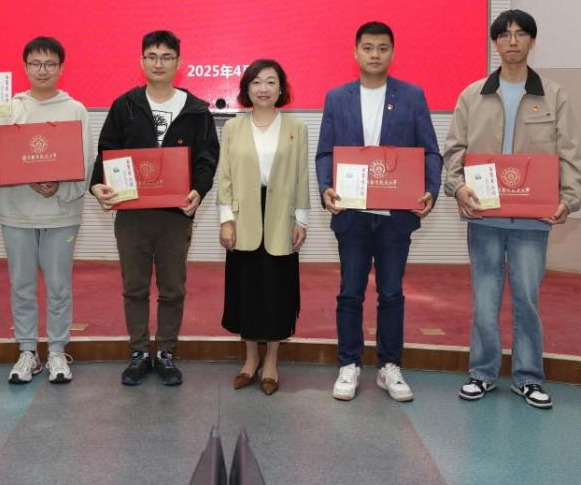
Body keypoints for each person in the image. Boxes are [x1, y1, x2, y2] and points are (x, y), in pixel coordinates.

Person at [443, 9, 581, 409]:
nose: (512, 41)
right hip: (484, 217)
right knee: (484, 300)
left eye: (521, 34)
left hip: (532, 219)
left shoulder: (553, 95)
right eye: (504, 35)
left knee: (527, 300)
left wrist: (569, 198)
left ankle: (528, 377)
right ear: (495, 43)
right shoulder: (473, 95)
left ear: (532, 41)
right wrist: (457, 187)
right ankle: (482, 372)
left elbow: (570, 152)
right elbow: (454, 150)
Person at [316, 21, 441, 402]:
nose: (375, 54)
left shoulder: (412, 96)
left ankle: (390, 366)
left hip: (395, 215)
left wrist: (430, 190)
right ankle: (349, 364)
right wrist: (326, 188)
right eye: (368, 47)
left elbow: (430, 151)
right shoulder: (337, 97)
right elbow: (325, 153)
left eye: (382, 48)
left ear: (392, 53)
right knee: (350, 292)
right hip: (352, 213)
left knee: (391, 292)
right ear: (355, 52)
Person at [90, 30, 220, 387]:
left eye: (166, 57)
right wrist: (97, 185)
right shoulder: (125, 105)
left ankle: (165, 353)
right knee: (134, 286)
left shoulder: (196, 110)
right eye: (152, 56)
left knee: (172, 288)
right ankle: (137, 352)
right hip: (132, 214)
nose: (158, 63)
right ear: (141, 61)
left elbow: (207, 157)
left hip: (175, 216)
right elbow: (106, 151)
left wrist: (199, 190)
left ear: (179, 63)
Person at [0, 36, 92, 386]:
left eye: (50, 64)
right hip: (17, 213)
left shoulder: (75, 110)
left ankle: (57, 350)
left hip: (60, 213)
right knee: (22, 285)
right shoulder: (7, 109)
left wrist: (61, 188)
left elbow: (85, 162)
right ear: (25, 67)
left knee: (59, 286)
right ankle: (27, 350)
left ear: (61, 68)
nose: (43, 70)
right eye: (36, 64)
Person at [217, 59, 310, 396]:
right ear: (247, 88)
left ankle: (271, 360)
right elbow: (225, 176)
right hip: (243, 219)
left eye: (271, 81)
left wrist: (301, 219)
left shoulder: (296, 127)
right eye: (256, 82)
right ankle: (250, 358)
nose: (264, 88)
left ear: (281, 88)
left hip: (280, 217)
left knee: (276, 291)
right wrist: (226, 219)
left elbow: (302, 175)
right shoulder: (233, 127)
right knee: (246, 291)